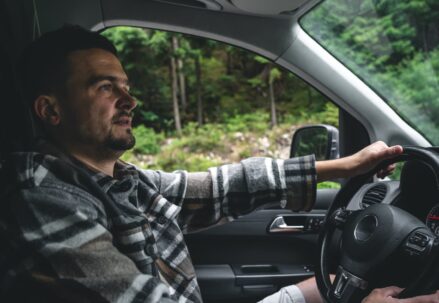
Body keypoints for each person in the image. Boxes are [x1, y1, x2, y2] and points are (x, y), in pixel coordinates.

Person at [0, 25, 430, 303]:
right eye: (104, 88)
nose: (129, 100)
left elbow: (218, 187)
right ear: (50, 110)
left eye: (126, 87)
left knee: (322, 287)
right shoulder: (43, 199)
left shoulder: (118, 180)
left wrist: (344, 167)